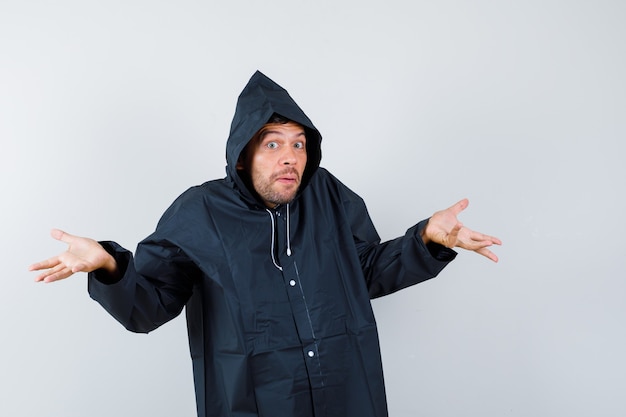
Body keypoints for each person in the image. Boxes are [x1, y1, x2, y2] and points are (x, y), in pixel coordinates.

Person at [30, 71, 501, 417]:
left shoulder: (329, 195)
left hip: (347, 396)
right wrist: (109, 267)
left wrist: (426, 241)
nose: (290, 158)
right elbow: (149, 306)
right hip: (255, 405)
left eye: (298, 144)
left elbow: (365, 271)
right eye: (272, 144)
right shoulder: (200, 212)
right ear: (243, 154)